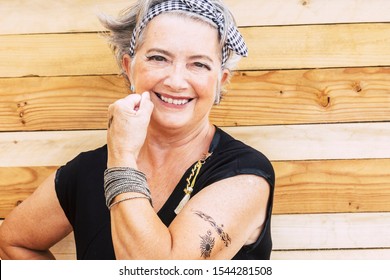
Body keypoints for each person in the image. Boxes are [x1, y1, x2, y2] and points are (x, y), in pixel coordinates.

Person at [0, 0, 275, 260]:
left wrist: (121, 159)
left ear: (219, 81)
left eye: (199, 64)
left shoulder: (244, 175)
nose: (176, 80)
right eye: (159, 58)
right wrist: (121, 155)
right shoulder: (86, 170)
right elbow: (12, 242)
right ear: (129, 67)